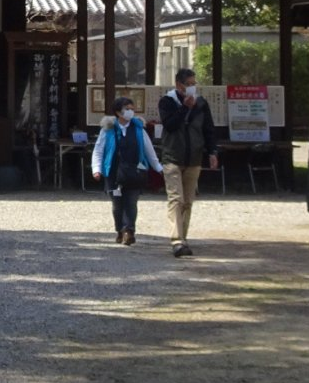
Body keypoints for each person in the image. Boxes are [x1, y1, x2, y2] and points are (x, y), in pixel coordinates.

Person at [156, 69, 218, 258]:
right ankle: (177, 240)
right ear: (178, 85)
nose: (192, 87)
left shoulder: (201, 103)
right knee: (176, 199)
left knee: (188, 201)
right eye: (188, 84)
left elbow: (208, 129)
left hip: (194, 158)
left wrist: (212, 152)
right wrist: (184, 107)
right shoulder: (167, 102)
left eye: (193, 83)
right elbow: (170, 125)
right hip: (172, 157)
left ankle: (184, 237)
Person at [93, 97, 162, 245]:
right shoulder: (108, 129)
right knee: (117, 205)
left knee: (131, 202)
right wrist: (96, 169)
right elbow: (98, 150)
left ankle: (129, 231)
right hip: (113, 172)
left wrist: (159, 168)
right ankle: (120, 229)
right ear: (118, 112)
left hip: (135, 171)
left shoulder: (138, 129)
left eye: (132, 108)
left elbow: (149, 151)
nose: (131, 111)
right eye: (127, 108)